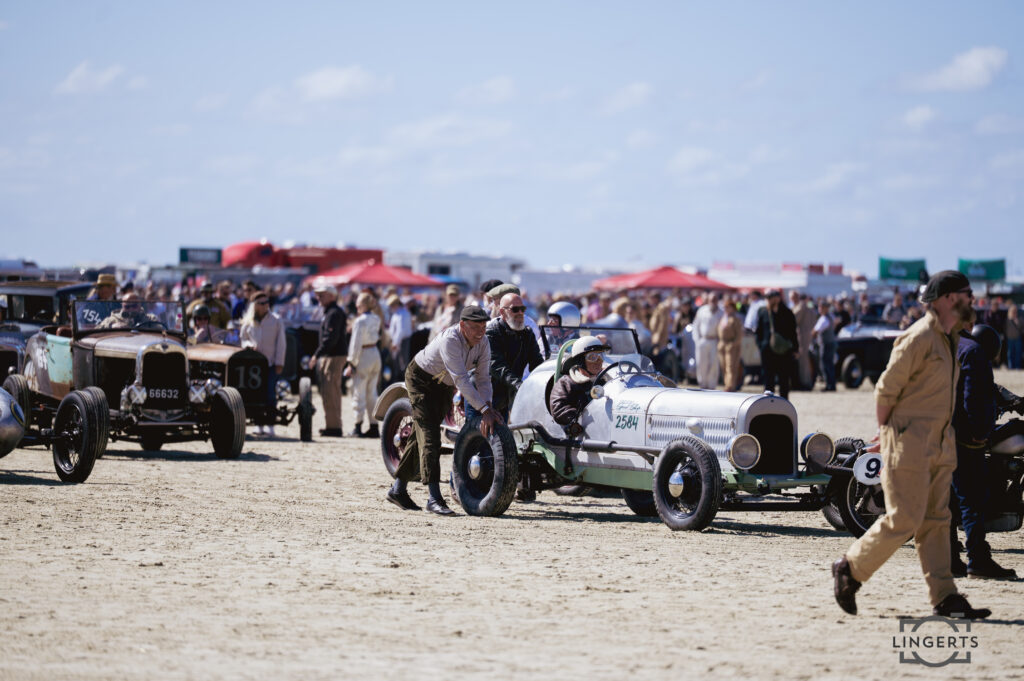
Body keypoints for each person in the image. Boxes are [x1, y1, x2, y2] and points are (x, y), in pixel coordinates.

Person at [832, 270, 991, 620]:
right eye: (967, 293)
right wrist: (888, 434)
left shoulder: (949, 338)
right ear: (948, 299)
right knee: (904, 519)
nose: (972, 299)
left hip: (938, 447)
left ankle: (944, 597)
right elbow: (885, 391)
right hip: (909, 446)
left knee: (936, 521)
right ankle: (850, 568)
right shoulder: (918, 337)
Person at [386, 305, 501, 516]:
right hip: (421, 380)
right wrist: (484, 409)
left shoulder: (483, 342)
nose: (481, 332)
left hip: (443, 385)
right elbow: (462, 380)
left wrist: (488, 405)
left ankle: (398, 490)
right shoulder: (451, 340)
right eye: (476, 327)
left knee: (420, 435)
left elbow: (484, 379)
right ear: (463, 325)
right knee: (431, 437)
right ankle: (434, 498)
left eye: (484, 327)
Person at [949, 323, 1017, 580]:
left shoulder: (949, 348)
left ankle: (950, 559)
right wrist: (979, 434)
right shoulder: (973, 352)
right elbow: (976, 396)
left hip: (944, 435)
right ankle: (978, 559)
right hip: (965, 440)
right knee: (972, 501)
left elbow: (993, 390)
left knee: (949, 501)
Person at [239, 290, 287, 437]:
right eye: (262, 303)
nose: (266, 305)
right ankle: (259, 424)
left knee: (270, 394)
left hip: (270, 363)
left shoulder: (276, 320)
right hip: (253, 365)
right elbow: (243, 338)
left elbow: (281, 343)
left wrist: (279, 362)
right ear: (255, 305)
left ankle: (270, 424)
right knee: (255, 394)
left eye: (267, 302)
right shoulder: (248, 322)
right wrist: (248, 345)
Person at [549, 336, 609, 435]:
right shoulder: (566, 382)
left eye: (601, 355)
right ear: (580, 360)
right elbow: (558, 409)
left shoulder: (607, 381)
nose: (599, 361)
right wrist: (577, 418)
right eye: (593, 357)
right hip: (585, 434)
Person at [311, 283, 347, 437]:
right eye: (317, 295)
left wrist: (317, 354)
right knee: (330, 391)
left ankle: (334, 427)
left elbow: (330, 338)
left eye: (322, 294)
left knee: (330, 392)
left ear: (332, 296)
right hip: (332, 355)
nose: (318, 297)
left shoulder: (334, 313)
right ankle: (332, 425)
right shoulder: (331, 312)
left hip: (334, 356)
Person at [345, 291, 382, 438]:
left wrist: (352, 362)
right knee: (372, 392)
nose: (357, 306)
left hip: (364, 354)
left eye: (359, 304)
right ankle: (374, 425)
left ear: (364, 305)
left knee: (358, 391)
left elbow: (356, 343)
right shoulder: (376, 318)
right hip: (375, 352)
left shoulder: (360, 321)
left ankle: (357, 425)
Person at [755, 290, 798, 399]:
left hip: (784, 352)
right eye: (768, 298)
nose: (769, 300)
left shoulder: (787, 313)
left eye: (771, 298)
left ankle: (784, 403)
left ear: (778, 298)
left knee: (784, 380)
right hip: (767, 351)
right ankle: (768, 404)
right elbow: (758, 331)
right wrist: (760, 345)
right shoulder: (763, 312)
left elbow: (793, 332)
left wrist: (795, 349)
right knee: (768, 380)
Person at [692, 293, 723, 389]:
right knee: (701, 363)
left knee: (714, 364)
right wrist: (697, 340)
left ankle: (711, 386)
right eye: (711, 300)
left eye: (715, 300)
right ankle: (702, 384)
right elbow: (696, 325)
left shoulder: (721, 312)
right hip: (703, 340)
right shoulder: (702, 310)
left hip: (714, 340)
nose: (713, 302)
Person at [717, 296, 743, 392]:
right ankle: (726, 383)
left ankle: (730, 385)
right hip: (722, 345)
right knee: (723, 366)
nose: (726, 309)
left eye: (728, 307)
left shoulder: (735, 319)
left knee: (731, 367)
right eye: (725, 307)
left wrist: (733, 344)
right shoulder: (724, 318)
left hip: (732, 346)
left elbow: (739, 335)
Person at [792, 292, 817, 389]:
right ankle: (807, 382)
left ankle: (804, 382)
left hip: (802, 336)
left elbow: (794, 319)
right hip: (808, 334)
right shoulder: (810, 307)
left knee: (802, 361)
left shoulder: (801, 306)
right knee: (806, 360)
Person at [811, 299, 838, 391]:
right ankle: (831, 384)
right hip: (831, 342)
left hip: (826, 344)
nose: (820, 309)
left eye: (821, 307)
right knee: (829, 364)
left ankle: (829, 385)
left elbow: (815, 331)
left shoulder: (824, 319)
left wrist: (811, 335)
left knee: (825, 364)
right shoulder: (830, 316)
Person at [386, 294, 413, 375]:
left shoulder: (402, 314)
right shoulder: (398, 313)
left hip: (402, 341)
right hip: (399, 340)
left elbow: (400, 331)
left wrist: (395, 343)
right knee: (398, 363)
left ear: (396, 304)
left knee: (402, 363)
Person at [1006, 304, 1022, 370]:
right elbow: (1005, 329)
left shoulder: (1020, 319)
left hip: (1017, 339)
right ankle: (1011, 367)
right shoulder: (1007, 320)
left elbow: (1022, 329)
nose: (1014, 312)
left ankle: (1017, 367)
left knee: (1018, 354)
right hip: (1010, 339)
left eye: (1015, 311)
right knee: (1010, 354)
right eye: (1012, 311)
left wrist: (1017, 323)